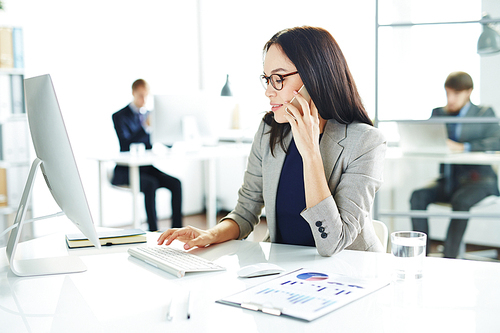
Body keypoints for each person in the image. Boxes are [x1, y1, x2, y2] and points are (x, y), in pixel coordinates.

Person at [158, 26, 387, 256]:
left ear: (314, 78)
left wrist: (310, 153)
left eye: (278, 79)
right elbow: (245, 212)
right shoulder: (270, 130)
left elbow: (333, 244)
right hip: (284, 271)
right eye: (267, 79)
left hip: (351, 274)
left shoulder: (366, 143)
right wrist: (210, 234)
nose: (268, 91)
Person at [410, 71, 500, 258]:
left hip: (481, 181)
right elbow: (426, 138)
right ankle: (421, 257)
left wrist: (463, 147)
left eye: (456, 94)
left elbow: (496, 141)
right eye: (448, 93)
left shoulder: (484, 113)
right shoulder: (438, 113)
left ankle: (449, 258)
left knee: (461, 201)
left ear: (468, 92)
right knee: (417, 197)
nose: (450, 99)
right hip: (450, 180)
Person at [112, 79, 183, 231]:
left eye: (146, 96)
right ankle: (154, 231)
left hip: (146, 167)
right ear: (133, 93)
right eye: (140, 96)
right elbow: (126, 144)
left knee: (176, 183)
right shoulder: (119, 116)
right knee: (150, 184)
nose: (143, 100)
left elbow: (165, 142)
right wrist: (145, 126)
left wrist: (172, 128)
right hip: (126, 170)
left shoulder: (151, 115)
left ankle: (177, 229)